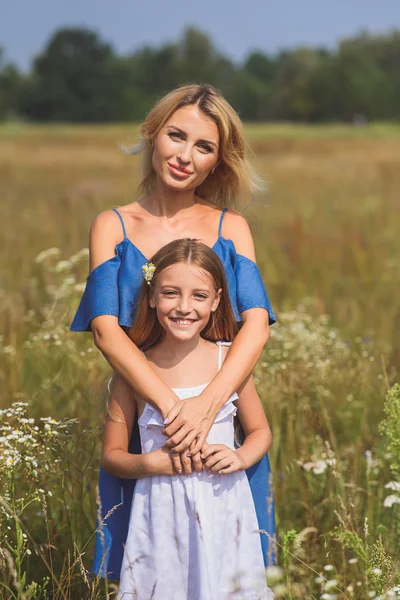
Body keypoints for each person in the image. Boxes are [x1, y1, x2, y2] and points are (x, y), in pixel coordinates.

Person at [70, 83, 277, 578]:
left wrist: (205, 407)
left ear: (217, 162)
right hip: (145, 420)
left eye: (203, 147)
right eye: (176, 136)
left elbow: (256, 325)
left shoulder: (232, 227)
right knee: (149, 567)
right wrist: (170, 407)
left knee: (229, 570)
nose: (185, 156)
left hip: (220, 421)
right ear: (152, 134)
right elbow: (104, 330)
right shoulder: (112, 226)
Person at [102, 239, 274, 600]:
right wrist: (150, 463)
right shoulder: (134, 371)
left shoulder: (230, 362)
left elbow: (260, 431)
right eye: (170, 293)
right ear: (151, 297)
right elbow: (112, 456)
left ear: (216, 301)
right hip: (160, 511)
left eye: (199, 296)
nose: (184, 307)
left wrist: (240, 456)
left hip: (225, 507)